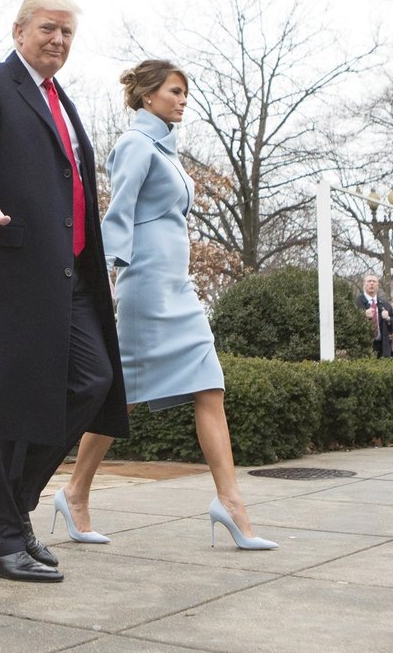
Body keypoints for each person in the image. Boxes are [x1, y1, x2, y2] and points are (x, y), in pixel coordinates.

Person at [0, 0, 130, 583]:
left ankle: (10, 513)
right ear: (19, 30)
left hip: (67, 277)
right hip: (9, 272)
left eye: (69, 33)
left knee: (91, 381)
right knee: (7, 408)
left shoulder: (63, 103)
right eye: (49, 28)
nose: (59, 41)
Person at [59, 60, 277, 552]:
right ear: (149, 95)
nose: (182, 100)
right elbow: (119, 213)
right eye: (175, 91)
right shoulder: (135, 145)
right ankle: (74, 492)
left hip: (177, 286)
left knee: (210, 385)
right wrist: (106, 277)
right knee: (125, 397)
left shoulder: (167, 150)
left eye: (184, 93)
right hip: (146, 289)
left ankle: (231, 503)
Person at [355, 274, 393, 358]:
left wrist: (388, 318)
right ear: (364, 284)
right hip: (364, 347)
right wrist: (363, 316)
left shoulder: (385, 304)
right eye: (369, 281)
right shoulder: (356, 303)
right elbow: (350, 324)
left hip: (382, 347)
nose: (372, 283)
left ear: (378, 285)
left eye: (374, 281)